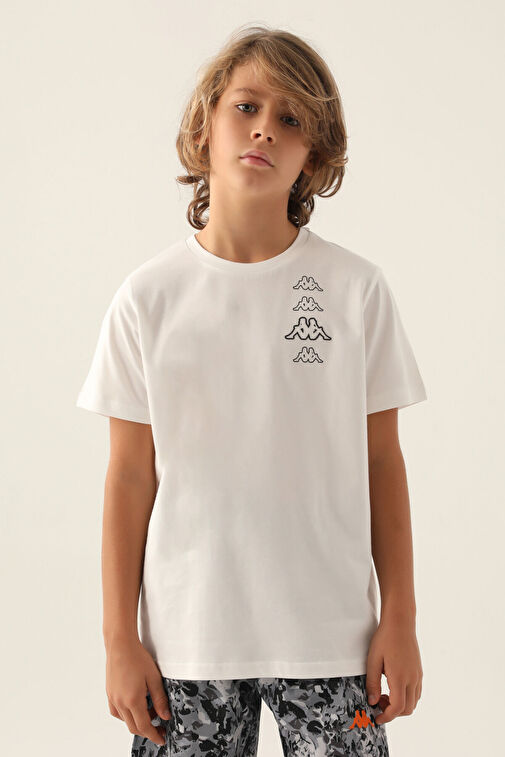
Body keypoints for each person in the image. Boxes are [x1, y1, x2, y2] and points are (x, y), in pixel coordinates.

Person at [76, 23, 427, 757]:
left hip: (332, 639)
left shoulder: (354, 290)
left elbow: (381, 462)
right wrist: (118, 640)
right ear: (204, 125)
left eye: (291, 119)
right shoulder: (148, 299)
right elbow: (129, 477)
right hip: (188, 643)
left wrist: (400, 618)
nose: (265, 128)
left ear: (314, 157)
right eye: (246, 107)